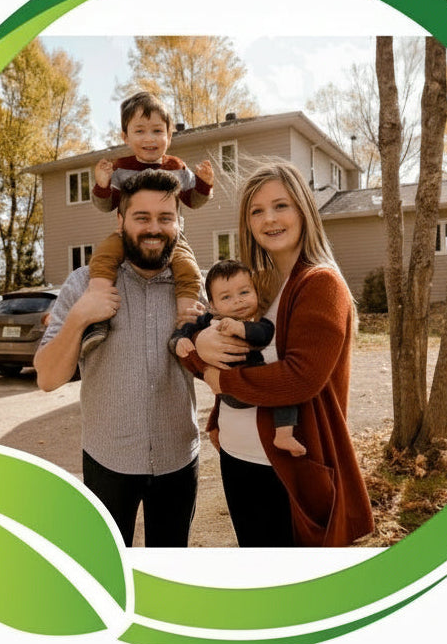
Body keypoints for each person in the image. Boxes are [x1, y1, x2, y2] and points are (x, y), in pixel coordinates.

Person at [181, 161, 374, 547]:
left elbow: (299, 378)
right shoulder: (260, 287)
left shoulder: (319, 283)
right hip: (239, 459)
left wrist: (218, 379)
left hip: (286, 470)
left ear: (303, 209)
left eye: (280, 206)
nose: (269, 218)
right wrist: (199, 349)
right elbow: (226, 345)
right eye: (257, 210)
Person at [34, 170, 200, 548]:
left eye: (165, 218)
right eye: (141, 217)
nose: (153, 228)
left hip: (179, 459)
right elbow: (47, 378)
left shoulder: (192, 289)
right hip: (108, 460)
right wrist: (80, 316)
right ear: (120, 220)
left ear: (179, 222)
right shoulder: (83, 284)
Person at [82, 91, 213, 357]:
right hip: (126, 234)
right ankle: (97, 318)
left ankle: (186, 324)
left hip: (171, 238)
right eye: (139, 131)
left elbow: (193, 200)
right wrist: (103, 184)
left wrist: (204, 183)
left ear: (169, 135)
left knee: (188, 269)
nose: (149, 139)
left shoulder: (177, 167)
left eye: (157, 131)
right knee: (103, 258)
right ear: (125, 137)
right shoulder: (120, 169)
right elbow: (105, 205)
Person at [170, 258, 306, 457]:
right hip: (226, 393)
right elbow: (184, 330)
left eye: (244, 292)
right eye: (226, 297)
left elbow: (264, 333)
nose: (238, 300)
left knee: (283, 388)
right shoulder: (207, 320)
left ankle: (284, 434)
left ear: (255, 292)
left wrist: (241, 327)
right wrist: (178, 342)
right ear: (213, 306)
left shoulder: (259, 320)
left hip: (253, 385)